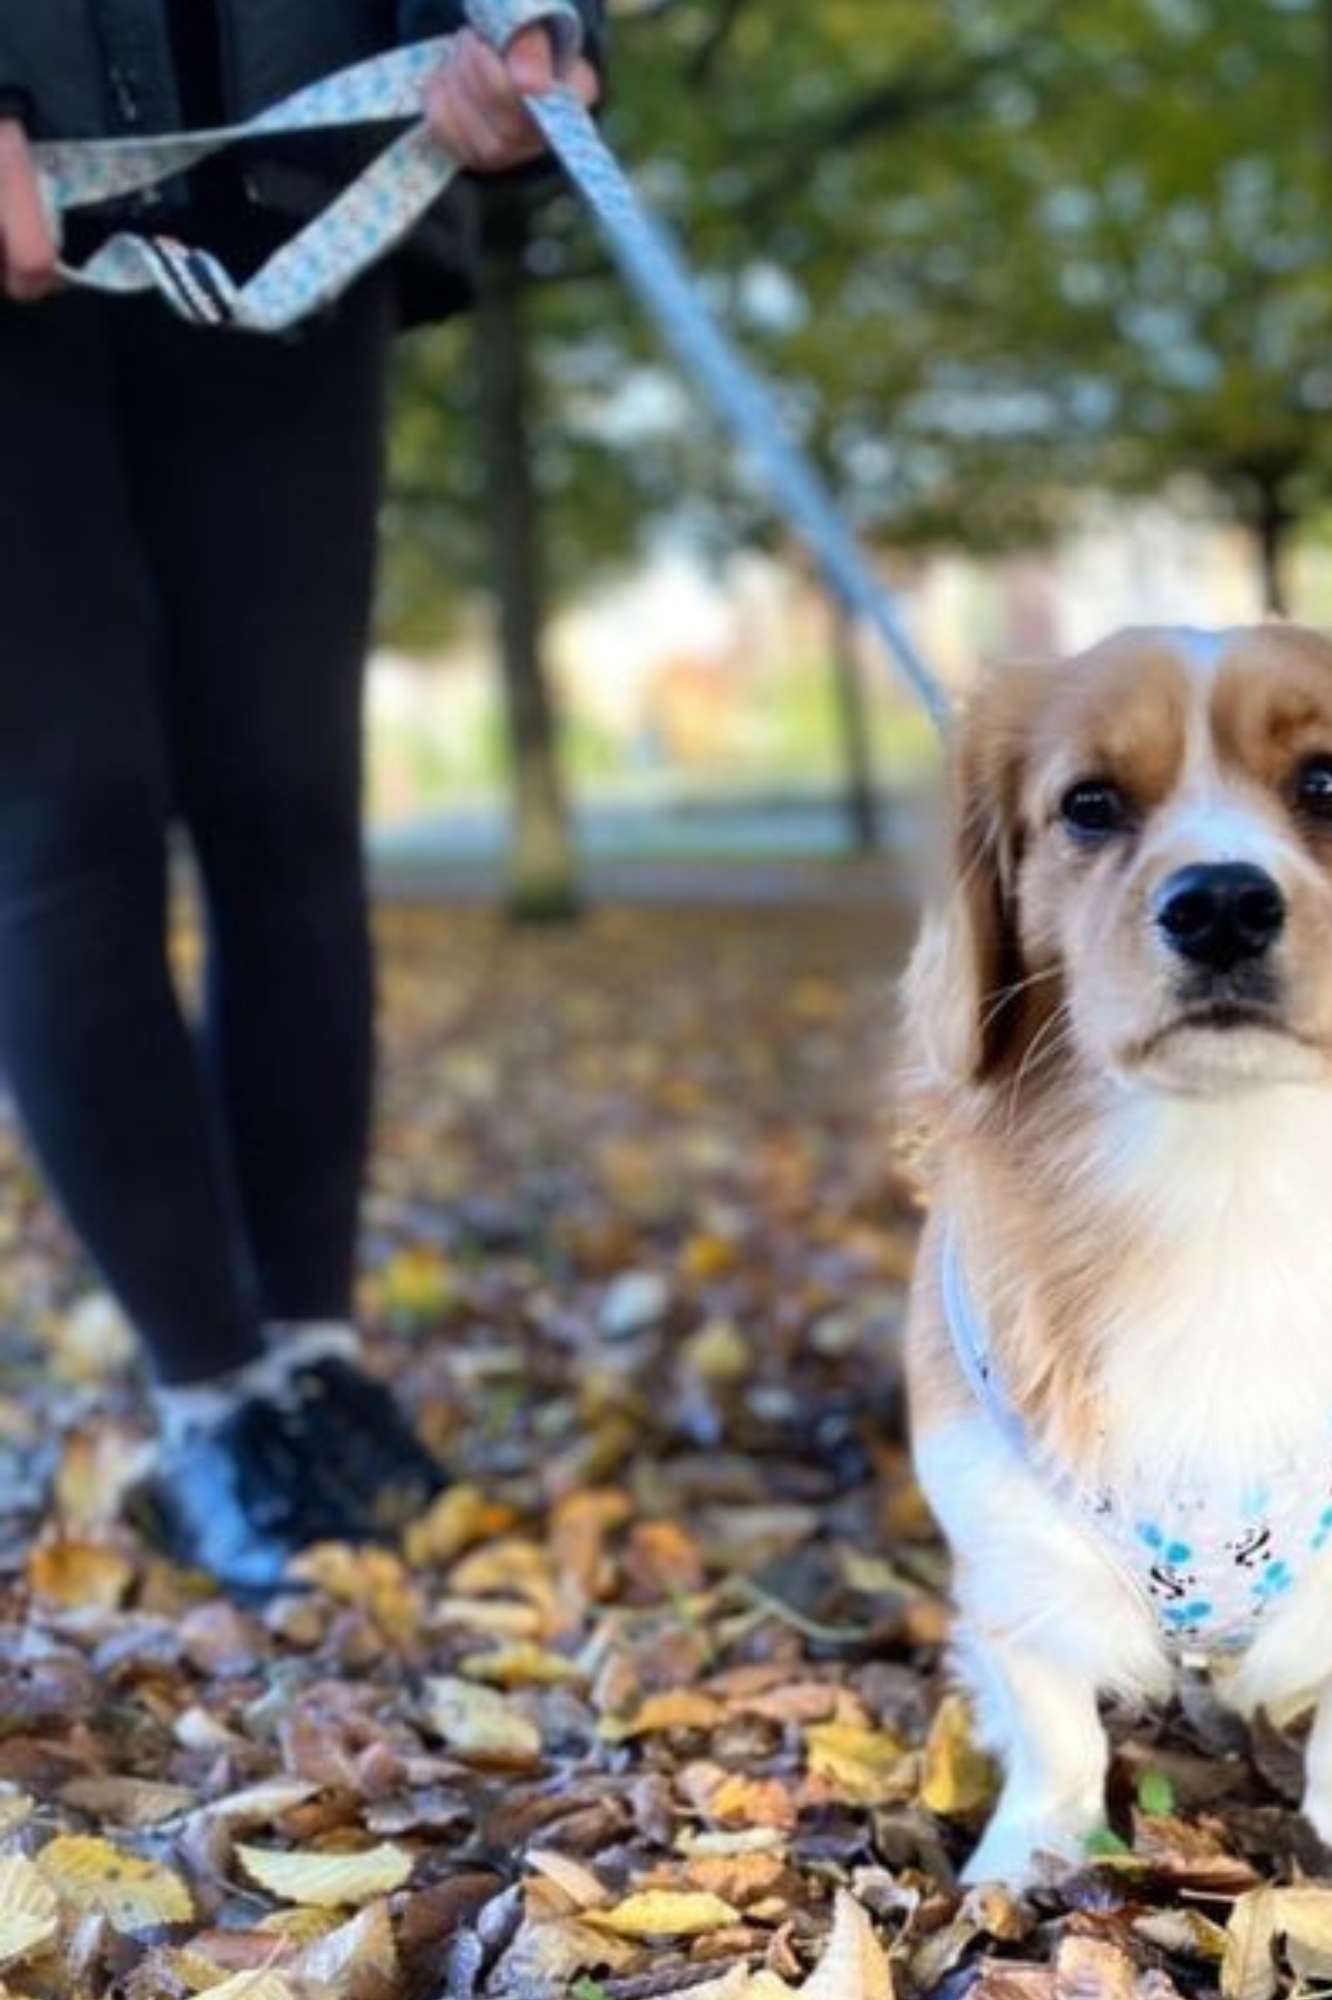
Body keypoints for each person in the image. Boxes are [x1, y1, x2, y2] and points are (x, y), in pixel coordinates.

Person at [0, 3, 599, 1595]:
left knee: (288, 807)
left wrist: (535, 18)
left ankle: (310, 1369)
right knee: (73, 822)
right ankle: (210, 1403)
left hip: (302, 189)